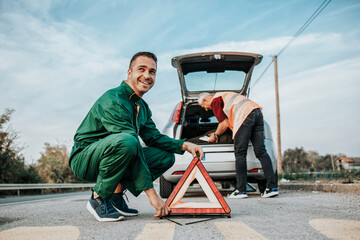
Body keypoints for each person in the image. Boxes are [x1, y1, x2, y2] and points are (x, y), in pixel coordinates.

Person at [69, 52, 203, 222]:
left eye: (152, 72)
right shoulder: (114, 99)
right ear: (129, 72)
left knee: (164, 156)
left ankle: (116, 197)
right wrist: (152, 194)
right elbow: (128, 142)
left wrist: (185, 145)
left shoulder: (142, 107)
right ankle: (98, 197)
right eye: (141, 69)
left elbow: (154, 138)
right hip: (85, 158)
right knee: (128, 142)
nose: (147, 76)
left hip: (114, 152)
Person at [198, 92, 278, 199]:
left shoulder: (215, 101)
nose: (206, 109)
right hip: (257, 112)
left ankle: (241, 190)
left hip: (244, 116)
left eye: (204, 107)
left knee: (240, 153)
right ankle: (271, 188)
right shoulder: (225, 95)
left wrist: (215, 135)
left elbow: (224, 123)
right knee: (261, 152)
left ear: (204, 100)